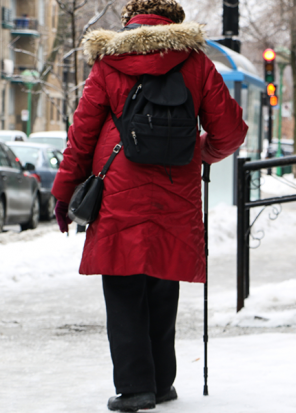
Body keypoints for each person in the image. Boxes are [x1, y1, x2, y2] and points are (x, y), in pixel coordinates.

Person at [51, 0, 248, 410]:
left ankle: (134, 387)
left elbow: (82, 134)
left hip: (118, 189)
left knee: (123, 286)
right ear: (176, 24)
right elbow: (229, 131)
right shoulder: (197, 65)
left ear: (129, 25)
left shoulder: (108, 65)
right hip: (176, 189)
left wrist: (64, 190)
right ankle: (160, 383)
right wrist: (202, 151)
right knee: (162, 280)